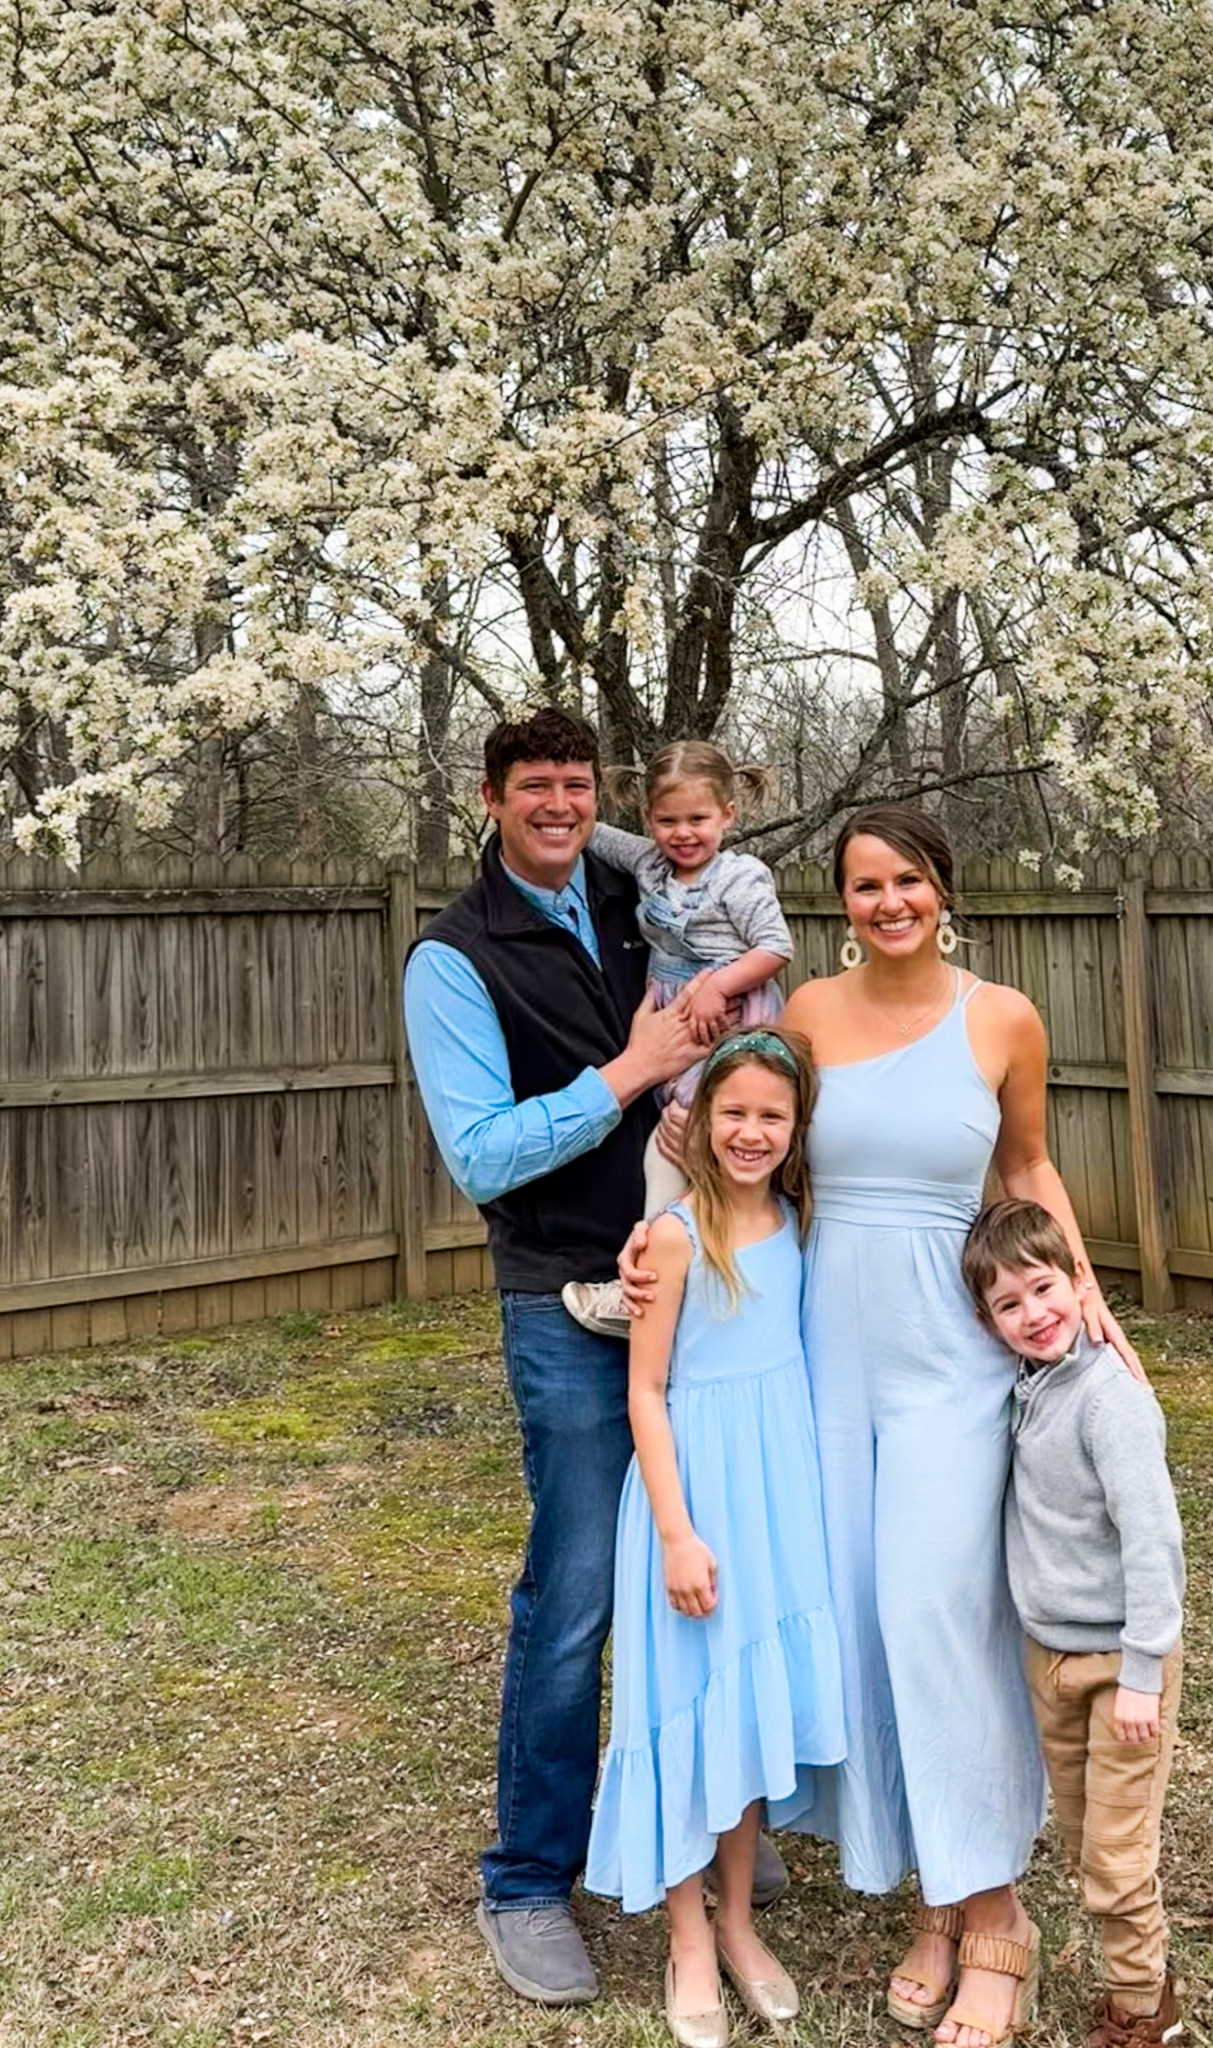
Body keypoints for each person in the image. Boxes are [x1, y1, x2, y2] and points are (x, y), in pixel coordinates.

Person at [623, 804, 1141, 2048]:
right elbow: (718, 1145)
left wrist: (1093, 1303)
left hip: (946, 1362)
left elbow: (1027, 1167)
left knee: (938, 1618)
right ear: (839, 903)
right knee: (859, 1621)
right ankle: (933, 1902)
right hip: (817, 1365)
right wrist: (649, 1238)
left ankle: (997, 1914)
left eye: (907, 879)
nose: (887, 900)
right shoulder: (805, 1019)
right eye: (863, 884)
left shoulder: (1003, 1015)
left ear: (941, 889)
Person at [401, 707, 786, 2009]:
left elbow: (679, 843)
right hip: (563, 1294)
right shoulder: (452, 958)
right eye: (534, 790)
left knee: (712, 1546)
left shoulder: (635, 884)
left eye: (578, 787)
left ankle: (721, 1817)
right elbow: (484, 1156)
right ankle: (526, 1879)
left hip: (696, 1281)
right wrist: (632, 1068)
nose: (559, 808)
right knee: (574, 1596)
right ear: (490, 797)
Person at [585, 1028, 845, 2048]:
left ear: (795, 1128)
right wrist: (677, 1532)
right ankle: (687, 1936)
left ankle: (739, 1921)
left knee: (744, 1715)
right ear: (700, 1117)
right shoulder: (674, 1237)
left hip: (777, 1496)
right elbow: (645, 1392)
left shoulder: (796, 1217)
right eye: (733, 1111)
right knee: (691, 1711)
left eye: (771, 1115)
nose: (751, 1130)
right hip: (692, 1501)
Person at [962, 1199, 1185, 2048]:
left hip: (1121, 1670)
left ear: (1077, 1282)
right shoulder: (1029, 1389)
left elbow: (1154, 1539)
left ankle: (1143, 2011)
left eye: (1044, 1288)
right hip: (1050, 1661)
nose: (1033, 1314)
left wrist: (1140, 1670)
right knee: (1088, 1842)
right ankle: (1139, 1981)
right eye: (1007, 1305)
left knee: (1117, 1858)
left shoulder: (1108, 1399)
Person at [562, 741, 793, 1338]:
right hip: (673, 1022)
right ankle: (697, 1277)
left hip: (728, 1024)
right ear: (648, 820)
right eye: (667, 820)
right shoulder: (650, 867)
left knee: (680, 1144)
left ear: (728, 816)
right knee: (681, 1143)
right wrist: (561, 809)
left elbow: (775, 946)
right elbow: (590, 835)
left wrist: (717, 986)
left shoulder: (738, 878)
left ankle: (644, 1286)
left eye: (698, 819)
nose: (683, 833)